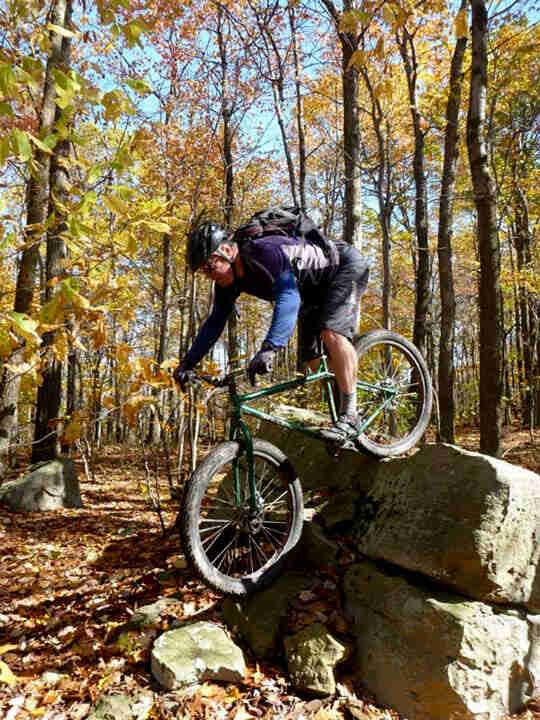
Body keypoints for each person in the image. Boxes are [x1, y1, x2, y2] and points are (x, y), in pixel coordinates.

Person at [173, 220, 369, 442]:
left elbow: (289, 297)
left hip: (344, 267)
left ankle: (350, 415)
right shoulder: (228, 281)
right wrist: (187, 363)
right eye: (203, 272)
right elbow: (215, 322)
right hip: (312, 289)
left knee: (332, 333)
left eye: (209, 266)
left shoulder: (264, 252)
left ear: (227, 250)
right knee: (313, 360)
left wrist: (270, 347)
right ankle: (341, 419)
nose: (208, 275)